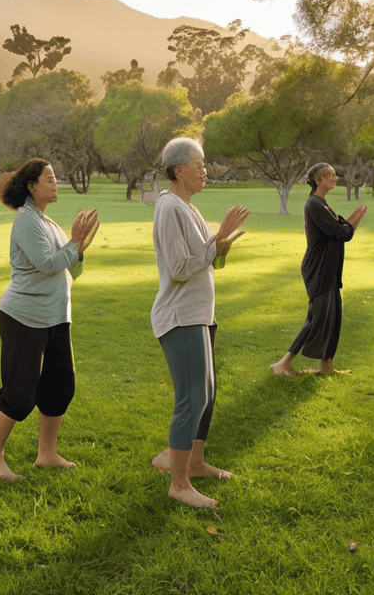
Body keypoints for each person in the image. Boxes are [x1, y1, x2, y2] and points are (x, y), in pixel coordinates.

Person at [0, 158, 100, 481]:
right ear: (32, 187)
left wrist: (80, 248)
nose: (56, 183)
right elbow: (48, 264)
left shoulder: (49, 223)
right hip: (23, 317)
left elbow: (71, 270)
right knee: (19, 394)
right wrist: (73, 244)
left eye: (55, 178)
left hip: (56, 318)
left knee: (60, 389)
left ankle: (46, 455)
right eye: (49, 179)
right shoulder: (26, 221)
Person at [149, 138, 250, 509]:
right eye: (199, 164)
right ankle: (178, 483)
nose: (205, 170)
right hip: (180, 317)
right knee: (192, 397)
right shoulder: (169, 207)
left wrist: (219, 246)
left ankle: (195, 463)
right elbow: (178, 268)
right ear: (178, 170)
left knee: (205, 394)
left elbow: (204, 260)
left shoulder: (188, 207)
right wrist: (218, 238)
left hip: (199, 315)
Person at [270, 163, 367, 377]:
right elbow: (339, 232)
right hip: (318, 268)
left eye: (335, 173)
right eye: (330, 174)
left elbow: (343, 233)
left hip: (329, 269)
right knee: (317, 317)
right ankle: (283, 364)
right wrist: (353, 221)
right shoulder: (313, 204)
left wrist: (349, 224)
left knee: (333, 316)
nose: (335, 177)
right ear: (318, 180)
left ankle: (326, 368)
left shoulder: (322, 203)